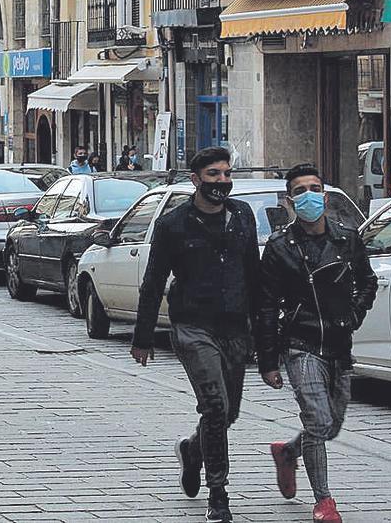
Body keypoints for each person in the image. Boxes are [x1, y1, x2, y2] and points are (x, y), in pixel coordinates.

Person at [132, 146, 260, 523]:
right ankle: (218, 496)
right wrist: (141, 337)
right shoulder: (174, 224)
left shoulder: (242, 216)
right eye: (213, 175)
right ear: (196, 180)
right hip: (193, 327)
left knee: (228, 412)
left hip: (235, 327)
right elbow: (153, 281)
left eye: (226, 174)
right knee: (215, 407)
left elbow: (253, 273)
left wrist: (263, 331)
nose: (222, 181)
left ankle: (191, 450)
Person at [256, 164, 377, 523]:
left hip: (339, 342)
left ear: (323, 195)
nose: (308, 195)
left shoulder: (347, 237)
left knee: (329, 425)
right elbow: (264, 305)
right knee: (317, 418)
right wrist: (267, 360)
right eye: (300, 190)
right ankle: (324, 501)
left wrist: (355, 313)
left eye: (314, 188)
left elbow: (366, 281)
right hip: (300, 342)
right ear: (291, 200)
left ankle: (289, 451)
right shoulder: (280, 247)